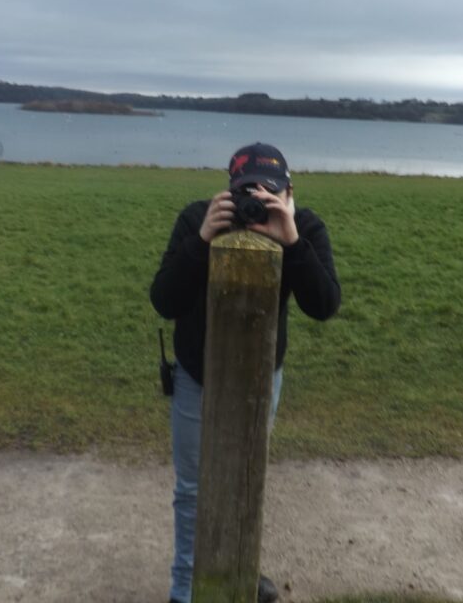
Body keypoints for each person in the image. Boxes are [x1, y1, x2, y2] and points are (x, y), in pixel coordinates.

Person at [150, 142, 341, 603]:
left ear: (289, 192)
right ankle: (185, 589)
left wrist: (291, 241)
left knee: (246, 476)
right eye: (244, 194)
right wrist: (201, 242)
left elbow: (324, 305)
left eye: (267, 193)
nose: (255, 203)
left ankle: (237, 571)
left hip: (260, 379)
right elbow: (164, 300)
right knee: (194, 491)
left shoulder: (304, 227)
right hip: (198, 376)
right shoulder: (198, 219)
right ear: (227, 191)